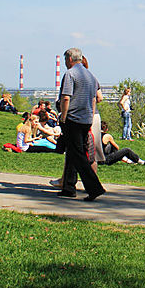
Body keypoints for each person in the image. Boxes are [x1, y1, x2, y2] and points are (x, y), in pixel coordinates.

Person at [56, 47, 105, 201]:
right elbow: (94, 99)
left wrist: (63, 117)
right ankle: (69, 188)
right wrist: (90, 118)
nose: (65, 63)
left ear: (70, 59)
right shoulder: (90, 76)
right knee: (72, 153)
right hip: (85, 119)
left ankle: (94, 188)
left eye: (65, 60)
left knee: (78, 155)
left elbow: (66, 97)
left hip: (73, 119)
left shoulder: (70, 74)